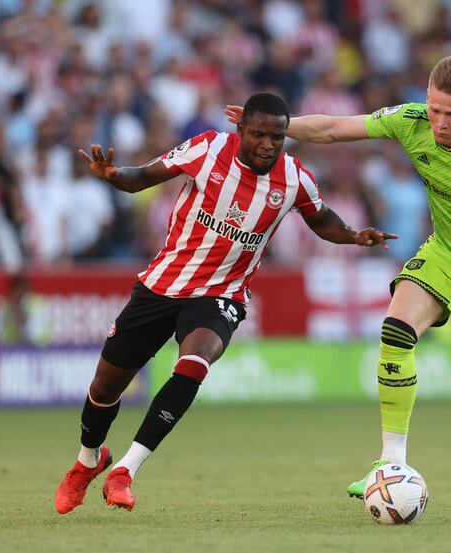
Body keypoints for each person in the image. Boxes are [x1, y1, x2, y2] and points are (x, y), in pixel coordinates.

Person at [226, 55, 451, 499]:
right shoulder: (410, 120)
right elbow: (332, 128)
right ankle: (391, 463)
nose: (441, 123)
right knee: (395, 333)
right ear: (426, 99)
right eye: (435, 109)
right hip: (446, 250)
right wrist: (277, 128)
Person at [54, 92, 397, 514]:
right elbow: (142, 177)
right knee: (105, 387)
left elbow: (321, 218)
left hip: (222, 294)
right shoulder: (207, 148)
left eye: (278, 136)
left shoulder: (294, 180)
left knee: (195, 362)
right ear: (241, 131)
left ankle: (125, 469)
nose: (268, 144)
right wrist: (112, 175)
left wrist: (354, 235)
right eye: (259, 134)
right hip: (163, 284)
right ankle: (88, 460)